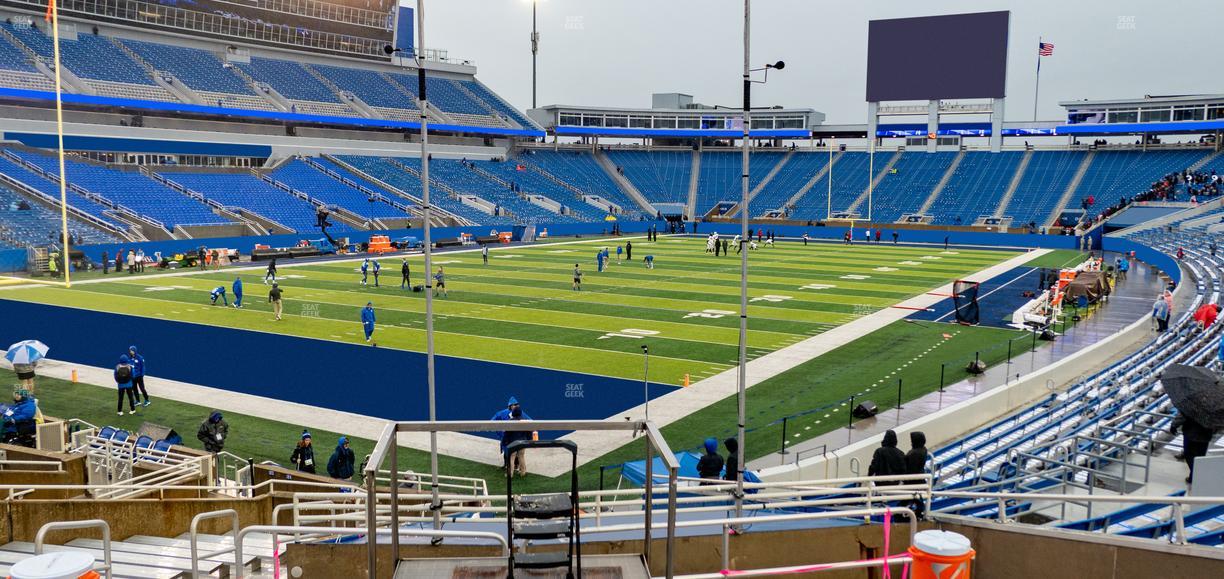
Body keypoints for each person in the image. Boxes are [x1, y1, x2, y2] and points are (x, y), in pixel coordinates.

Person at [1171, 412, 1214, 484]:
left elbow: (1183, 414)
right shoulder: (1213, 405)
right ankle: (1192, 478)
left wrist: (1174, 425)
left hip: (1191, 432)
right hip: (1206, 434)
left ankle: (1196, 476)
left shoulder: (1192, 403)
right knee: (1200, 458)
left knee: (1189, 455)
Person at [500, 406, 532, 477]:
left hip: (513, 443)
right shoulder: (525, 421)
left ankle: (510, 474)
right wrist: (529, 440)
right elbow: (529, 432)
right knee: (521, 456)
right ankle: (523, 473)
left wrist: (504, 442)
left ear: (513, 413)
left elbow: (507, 434)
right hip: (522, 442)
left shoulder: (510, 422)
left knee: (511, 457)